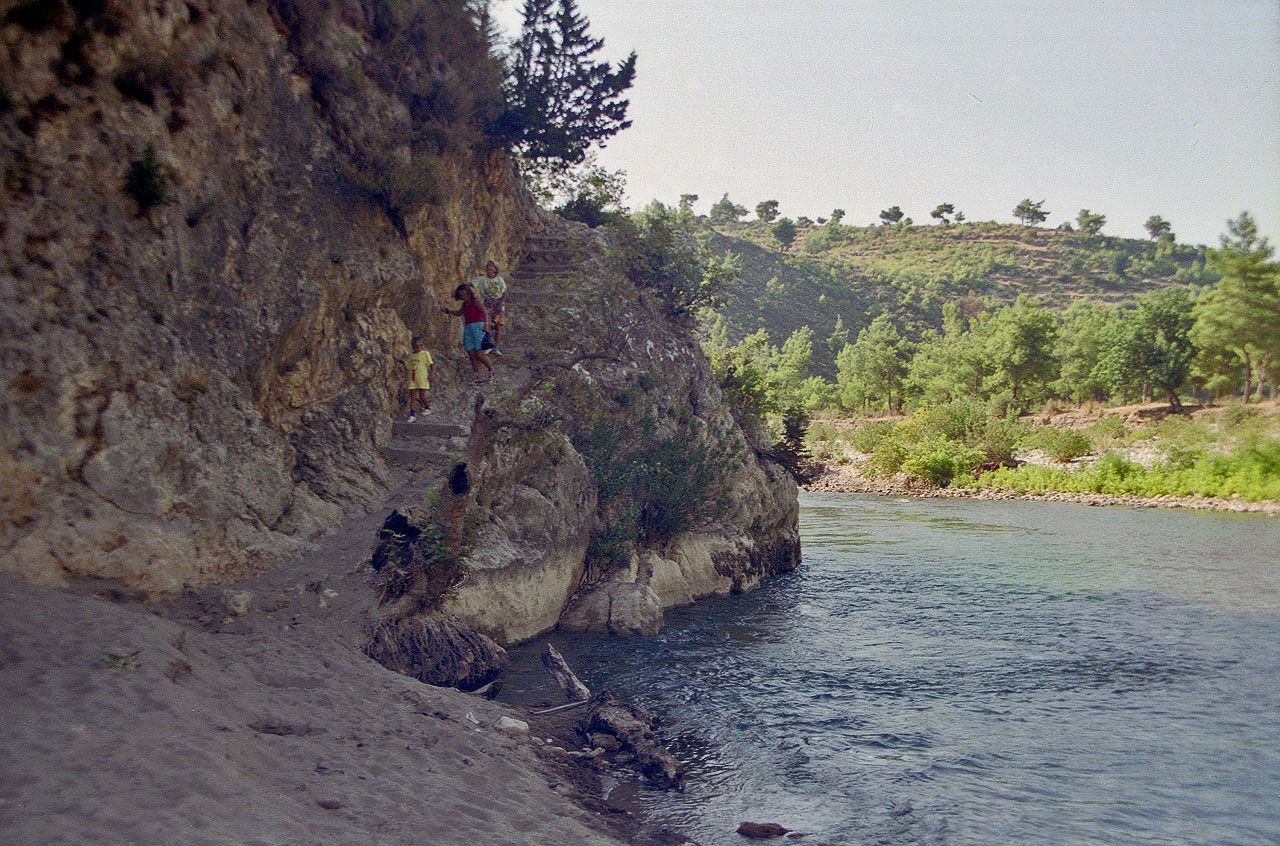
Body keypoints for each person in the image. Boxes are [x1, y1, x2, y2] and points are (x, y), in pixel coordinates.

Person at [441, 283, 494, 384]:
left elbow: (485, 312)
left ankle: (491, 370)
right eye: (461, 295)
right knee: (472, 354)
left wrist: (486, 324)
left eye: (465, 294)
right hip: (469, 327)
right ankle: (478, 377)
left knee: (480, 353)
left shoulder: (475, 301)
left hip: (478, 326)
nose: (464, 297)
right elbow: (460, 313)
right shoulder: (465, 304)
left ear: (469, 293)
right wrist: (448, 311)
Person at [395, 336, 433, 422]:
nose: (415, 349)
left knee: (422, 396)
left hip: (422, 377)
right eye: (414, 347)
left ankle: (428, 408)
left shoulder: (425, 354)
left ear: (421, 346)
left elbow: (431, 364)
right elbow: (408, 364)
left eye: (417, 347)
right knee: (412, 396)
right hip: (412, 378)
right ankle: (412, 415)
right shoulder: (411, 355)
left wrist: (431, 374)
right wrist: (399, 360)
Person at [474, 260, 508, 350]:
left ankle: (496, 347)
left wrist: (500, 304)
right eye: (488, 266)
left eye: (491, 266)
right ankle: (488, 344)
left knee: (498, 325)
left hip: (498, 302)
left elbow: (504, 293)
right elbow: (471, 284)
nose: (489, 267)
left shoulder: (499, 280)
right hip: (488, 303)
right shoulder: (482, 279)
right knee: (487, 323)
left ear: (496, 269)